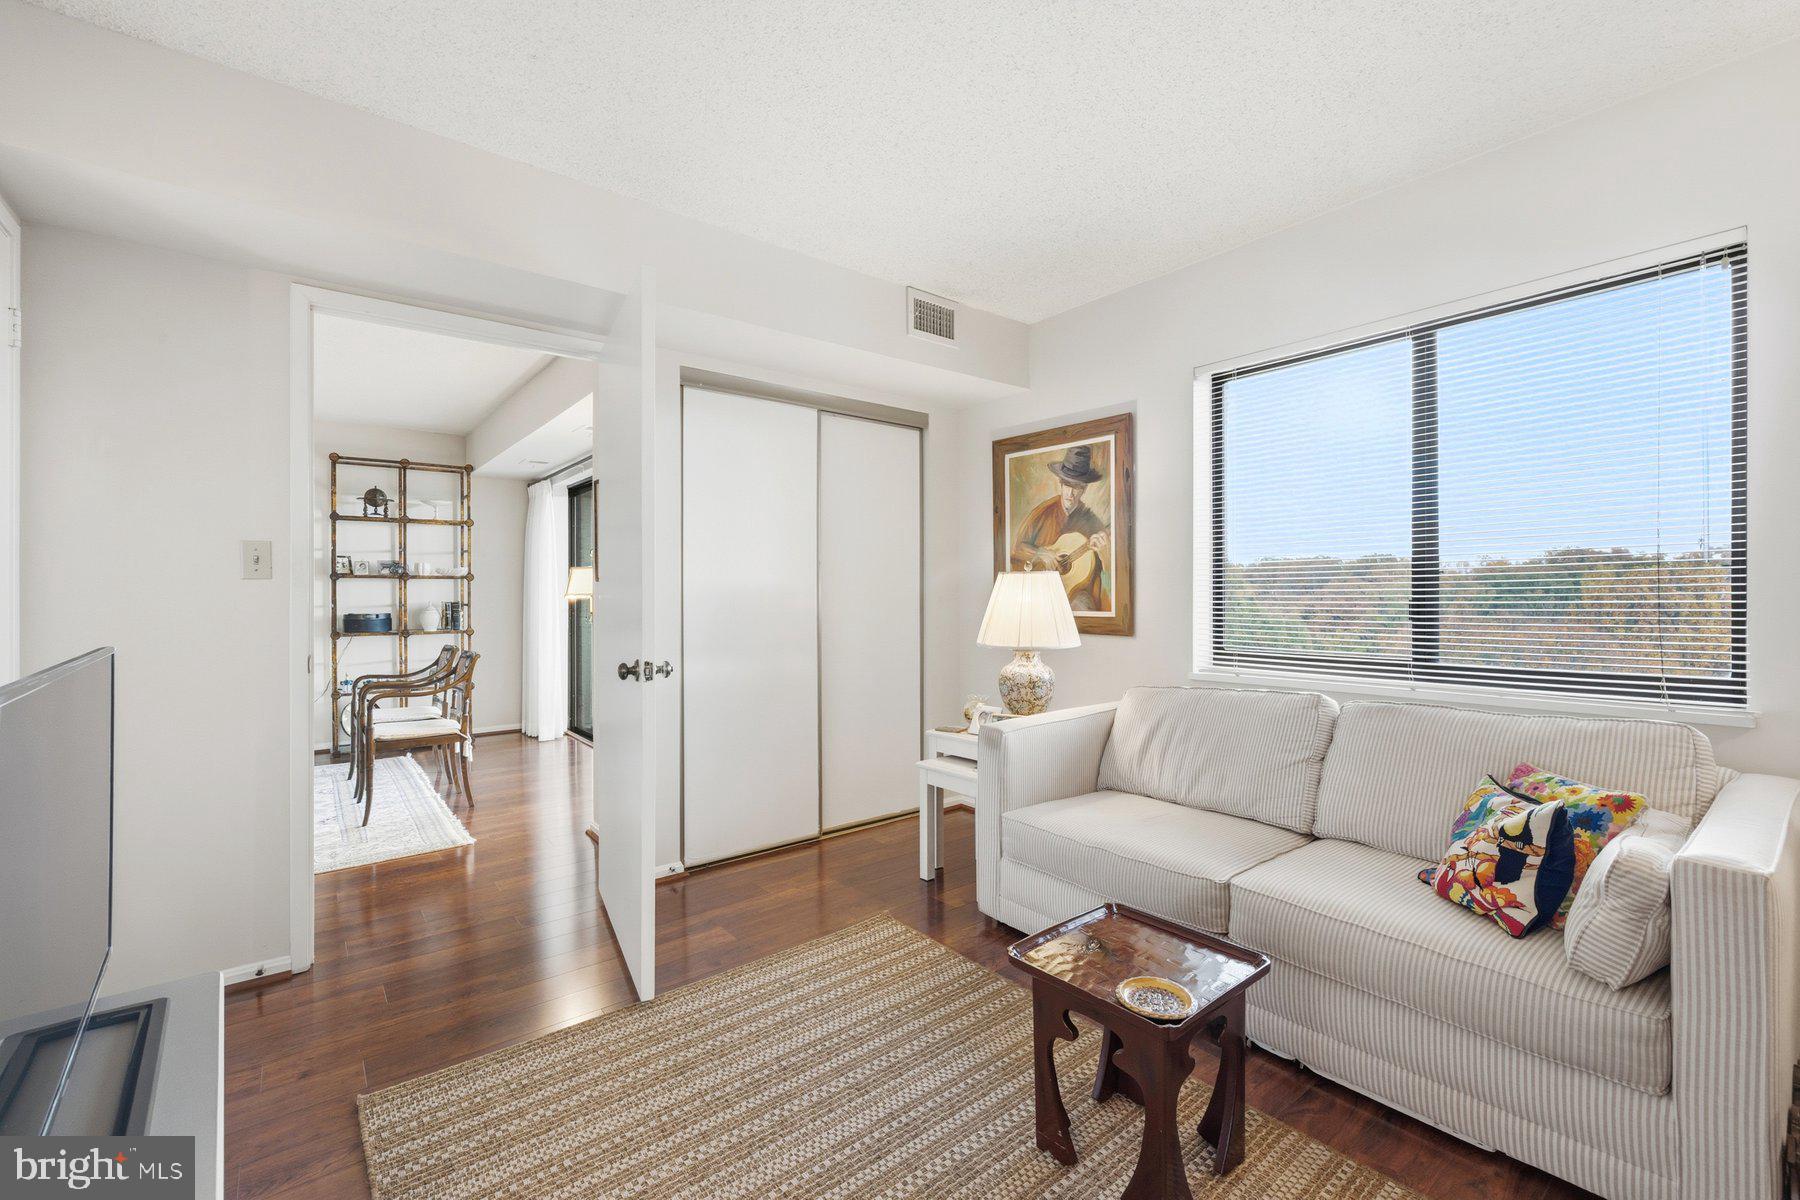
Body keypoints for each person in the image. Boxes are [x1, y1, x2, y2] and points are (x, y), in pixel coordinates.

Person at [1008, 443, 1111, 613]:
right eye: (1068, 485)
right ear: (1061, 484)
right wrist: (1040, 552)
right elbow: (1017, 549)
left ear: (1084, 489)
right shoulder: (1043, 513)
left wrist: (1104, 552)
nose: (1071, 494)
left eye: (1077, 487)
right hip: (1041, 587)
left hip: (1077, 592)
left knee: (1081, 607)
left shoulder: (1091, 521)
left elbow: (1104, 577)